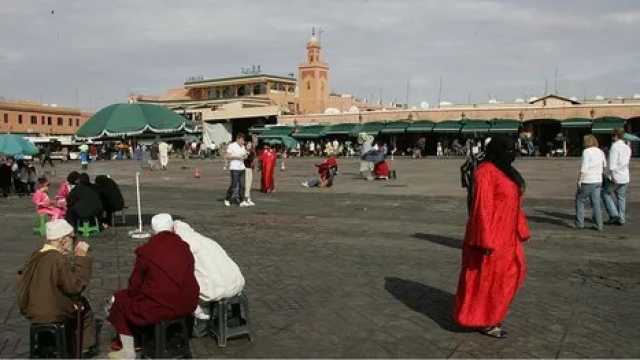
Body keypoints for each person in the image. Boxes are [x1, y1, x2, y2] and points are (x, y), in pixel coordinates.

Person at [454, 135, 530, 338]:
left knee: (512, 274)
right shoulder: (485, 172)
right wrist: (484, 239)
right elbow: (481, 208)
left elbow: (514, 202)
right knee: (489, 280)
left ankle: (491, 315)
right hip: (492, 237)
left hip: (508, 236)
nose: (512, 153)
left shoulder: (507, 171)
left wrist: (520, 228)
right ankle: (486, 320)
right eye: (508, 149)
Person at [107, 214, 199, 359]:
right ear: (172, 228)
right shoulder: (184, 247)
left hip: (161, 306)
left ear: (153, 229)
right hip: (189, 303)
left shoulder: (147, 251)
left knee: (120, 300)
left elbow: (134, 286)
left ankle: (128, 350)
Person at [17, 219, 97, 355]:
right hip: (50, 311)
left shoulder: (37, 254)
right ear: (63, 240)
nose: (74, 241)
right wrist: (82, 258)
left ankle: (62, 346)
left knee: (78, 304)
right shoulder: (57, 259)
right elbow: (75, 287)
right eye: (72, 237)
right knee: (84, 308)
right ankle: (79, 350)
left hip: (30, 309)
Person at [172, 220, 245, 336]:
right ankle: (219, 314)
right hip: (237, 283)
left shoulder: (184, 246)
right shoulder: (208, 240)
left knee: (186, 286)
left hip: (215, 289)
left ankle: (202, 321)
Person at [575, 134, 606, 231]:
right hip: (598, 180)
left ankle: (580, 223)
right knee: (596, 202)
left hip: (588, 180)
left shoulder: (586, 152)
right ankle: (599, 224)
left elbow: (584, 168)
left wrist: (579, 180)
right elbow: (605, 165)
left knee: (579, 200)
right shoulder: (600, 151)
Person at [603, 128, 631, 226]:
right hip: (625, 176)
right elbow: (626, 163)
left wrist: (612, 175)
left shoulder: (614, 146)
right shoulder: (627, 147)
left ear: (615, 136)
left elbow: (612, 164)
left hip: (615, 176)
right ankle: (621, 218)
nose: (611, 137)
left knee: (605, 194)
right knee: (621, 197)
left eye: (612, 135)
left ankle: (614, 214)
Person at [224, 133, 249, 207]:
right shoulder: (232, 146)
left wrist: (246, 156)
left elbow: (245, 155)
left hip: (242, 168)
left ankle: (241, 201)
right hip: (234, 168)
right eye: (242, 140)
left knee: (242, 185)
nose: (243, 142)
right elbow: (227, 156)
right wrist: (237, 157)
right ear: (238, 139)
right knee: (234, 185)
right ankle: (227, 199)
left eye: (243, 140)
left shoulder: (243, 147)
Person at [243, 141, 256, 206]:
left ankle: (248, 198)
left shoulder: (251, 152)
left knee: (249, 184)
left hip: (249, 169)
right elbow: (244, 159)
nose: (249, 146)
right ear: (246, 145)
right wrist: (246, 154)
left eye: (250, 145)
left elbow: (251, 159)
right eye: (248, 145)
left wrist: (249, 154)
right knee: (246, 184)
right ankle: (245, 199)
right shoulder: (243, 151)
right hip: (245, 169)